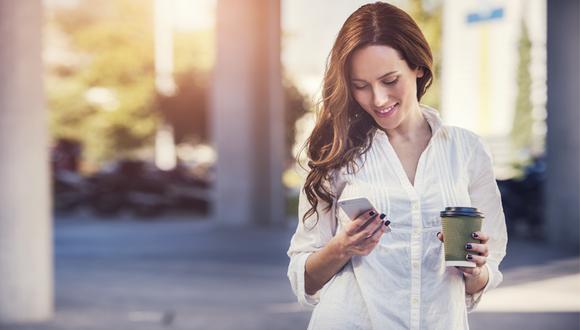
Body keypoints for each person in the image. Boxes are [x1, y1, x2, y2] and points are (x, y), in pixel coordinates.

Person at [286, 2, 508, 329]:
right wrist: (341, 247)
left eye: (390, 80)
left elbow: (487, 276)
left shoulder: (467, 150)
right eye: (361, 86)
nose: (377, 99)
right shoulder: (336, 154)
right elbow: (303, 280)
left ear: (417, 66)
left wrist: (474, 269)